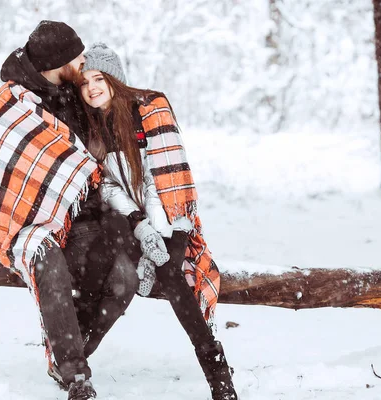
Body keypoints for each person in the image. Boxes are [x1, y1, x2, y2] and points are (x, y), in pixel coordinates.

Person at [0, 23, 138, 400]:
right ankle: (75, 374)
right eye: (77, 57)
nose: (82, 62)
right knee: (47, 261)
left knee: (125, 279)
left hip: (84, 217)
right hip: (32, 222)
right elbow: (14, 163)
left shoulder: (75, 92)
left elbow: (105, 132)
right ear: (58, 61)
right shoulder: (14, 102)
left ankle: (69, 347)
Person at [78, 43, 239, 400]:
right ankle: (75, 357)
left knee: (172, 275)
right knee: (122, 272)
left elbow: (160, 180)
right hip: (132, 221)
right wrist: (140, 226)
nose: (92, 87)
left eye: (99, 78)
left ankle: (217, 373)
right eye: (85, 81)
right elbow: (105, 184)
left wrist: (158, 235)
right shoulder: (91, 127)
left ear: (115, 80)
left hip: (172, 216)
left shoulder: (147, 113)